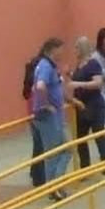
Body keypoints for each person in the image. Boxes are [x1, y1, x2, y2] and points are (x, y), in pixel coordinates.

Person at [23, 37, 71, 189]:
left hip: (53, 116)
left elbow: (34, 88)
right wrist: (46, 104)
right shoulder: (46, 66)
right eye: (60, 49)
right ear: (52, 50)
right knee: (57, 152)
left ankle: (55, 184)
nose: (62, 53)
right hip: (48, 117)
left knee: (60, 150)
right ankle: (54, 185)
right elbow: (40, 86)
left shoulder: (48, 65)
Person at [70, 35, 105, 173]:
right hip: (81, 106)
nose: (75, 50)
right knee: (81, 138)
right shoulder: (79, 65)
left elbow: (98, 82)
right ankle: (85, 168)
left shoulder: (93, 64)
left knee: (99, 134)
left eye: (77, 47)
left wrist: (78, 84)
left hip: (95, 105)